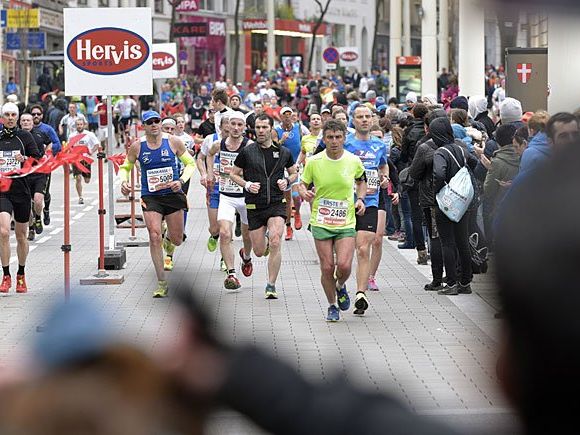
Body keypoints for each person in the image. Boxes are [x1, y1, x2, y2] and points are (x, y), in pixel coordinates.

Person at [118, 110, 196, 298]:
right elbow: (125, 166)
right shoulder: (137, 146)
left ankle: (170, 244)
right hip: (150, 195)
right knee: (154, 235)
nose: (154, 124)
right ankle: (161, 282)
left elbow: (190, 163)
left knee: (177, 238)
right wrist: (124, 181)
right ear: (143, 126)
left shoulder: (173, 142)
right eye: (149, 122)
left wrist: (182, 181)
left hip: (172, 194)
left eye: (156, 121)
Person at [299, 119, 367, 322]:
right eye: (330, 137)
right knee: (327, 267)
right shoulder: (314, 161)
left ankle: (340, 286)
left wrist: (361, 199)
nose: (334, 141)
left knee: (344, 266)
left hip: (345, 221)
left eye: (338, 137)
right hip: (321, 220)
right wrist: (304, 192)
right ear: (324, 139)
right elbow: (302, 184)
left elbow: (361, 181)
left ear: (344, 138)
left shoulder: (353, 160)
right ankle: (331, 304)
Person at [230, 115, 298, 299]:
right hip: (254, 205)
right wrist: (246, 185)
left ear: (270, 129)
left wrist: (287, 181)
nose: (260, 130)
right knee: (259, 251)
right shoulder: (247, 152)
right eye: (257, 127)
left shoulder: (283, 152)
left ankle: (271, 284)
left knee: (276, 240)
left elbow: (294, 174)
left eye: (263, 127)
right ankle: (248, 252)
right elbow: (234, 174)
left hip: (276, 203)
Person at [344, 106, 389, 314]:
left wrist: (384, 178)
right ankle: (340, 284)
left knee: (363, 248)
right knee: (343, 256)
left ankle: (361, 293)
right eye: (359, 117)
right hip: (345, 202)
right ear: (353, 120)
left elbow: (382, 166)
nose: (364, 120)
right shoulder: (346, 144)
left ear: (372, 120)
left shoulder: (379, 145)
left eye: (367, 117)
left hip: (370, 201)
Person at [206, 111, 253, 290]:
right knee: (225, 233)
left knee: (247, 236)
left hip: (245, 197)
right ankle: (232, 274)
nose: (235, 128)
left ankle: (246, 257)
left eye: (239, 125)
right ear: (227, 125)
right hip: (226, 196)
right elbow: (209, 155)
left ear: (244, 127)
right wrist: (210, 172)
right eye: (232, 124)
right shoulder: (220, 145)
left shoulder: (250, 146)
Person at [432, 117, 478, 295]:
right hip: (463, 201)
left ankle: (451, 283)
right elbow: (475, 163)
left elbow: (438, 172)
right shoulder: (461, 148)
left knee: (447, 242)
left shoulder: (440, 153)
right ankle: (465, 282)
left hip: (447, 202)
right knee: (462, 241)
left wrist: (439, 191)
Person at [0, 103, 42, 293]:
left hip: (21, 189)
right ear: (2, 117)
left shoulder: (25, 136)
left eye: (13, 115)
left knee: (21, 235)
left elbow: (37, 159)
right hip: (3, 189)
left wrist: (24, 159)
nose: (10, 118)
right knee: (3, 232)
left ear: (17, 118)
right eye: (7, 115)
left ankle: (21, 275)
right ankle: (6, 275)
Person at [197, 116, 229, 262]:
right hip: (213, 188)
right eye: (227, 125)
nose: (231, 128)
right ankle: (213, 235)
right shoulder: (211, 140)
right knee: (215, 228)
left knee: (226, 229)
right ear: (220, 126)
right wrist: (204, 174)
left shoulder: (239, 143)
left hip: (230, 190)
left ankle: (225, 260)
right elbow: (200, 158)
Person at [28, 104, 62, 227]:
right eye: (33, 114)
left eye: (38, 114)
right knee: (32, 197)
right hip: (29, 169)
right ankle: (33, 224)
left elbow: (57, 144)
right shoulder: (25, 130)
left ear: (42, 115)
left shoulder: (47, 129)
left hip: (44, 167)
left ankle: (46, 210)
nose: (36, 116)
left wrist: (47, 153)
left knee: (45, 194)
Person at [18, 113, 50, 241]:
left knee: (37, 200)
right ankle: (31, 228)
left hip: (39, 173)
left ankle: (38, 217)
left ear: (32, 122)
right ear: (20, 122)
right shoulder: (16, 136)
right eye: (23, 120)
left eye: (28, 120)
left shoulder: (40, 134)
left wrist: (47, 154)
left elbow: (51, 143)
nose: (26, 122)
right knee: (26, 205)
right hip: (23, 174)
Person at [275, 106, 304, 240]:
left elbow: (303, 146)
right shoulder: (276, 130)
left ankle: (297, 212)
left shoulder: (298, 128)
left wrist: (302, 160)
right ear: (281, 117)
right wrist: (282, 141)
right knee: (287, 199)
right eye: (284, 115)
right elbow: (273, 149)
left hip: (296, 165)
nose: (287, 117)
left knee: (296, 195)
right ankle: (288, 226)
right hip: (283, 166)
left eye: (289, 114)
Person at [68, 118, 100, 205]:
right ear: (75, 125)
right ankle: (80, 197)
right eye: (78, 124)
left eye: (81, 124)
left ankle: (84, 174)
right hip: (76, 159)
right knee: (78, 178)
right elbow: (69, 147)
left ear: (84, 125)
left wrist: (91, 151)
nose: (79, 126)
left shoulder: (89, 134)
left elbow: (97, 144)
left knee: (87, 180)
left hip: (86, 159)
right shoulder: (72, 135)